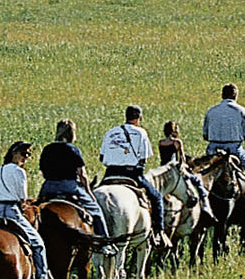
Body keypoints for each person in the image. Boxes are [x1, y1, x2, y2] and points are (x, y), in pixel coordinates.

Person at [0, 140, 57, 279]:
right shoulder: (19, 172)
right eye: (23, 154)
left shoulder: (0, 169)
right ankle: (43, 278)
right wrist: (20, 202)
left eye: (28, 155)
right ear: (14, 153)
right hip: (10, 210)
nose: (26, 157)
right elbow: (23, 197)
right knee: (38, 243)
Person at [98, 105, 171, 254]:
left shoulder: (111, 132)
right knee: (156, 198)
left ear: (126, 116)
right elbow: (144, 157)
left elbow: (102, 157)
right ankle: (158, 233)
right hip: (132, 174)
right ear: (139, 118)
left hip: (110, 174)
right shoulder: (141, 133)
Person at [203, 82, 245, 217]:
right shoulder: (240, 110)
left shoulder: (211, 111)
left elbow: (205, 135)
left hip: (213, 150)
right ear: (236, 95)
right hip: (234, 149)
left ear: (222, 95)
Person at [37, 119, 107, 236]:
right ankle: (104, 241)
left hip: (49, 186)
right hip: (70, 186)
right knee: (96, 211)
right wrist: (89, 192)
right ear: (71, 133)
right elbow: (82, 174)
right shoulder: (72, 149)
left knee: (35, 209)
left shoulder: (47, 149)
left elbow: (42, 169)